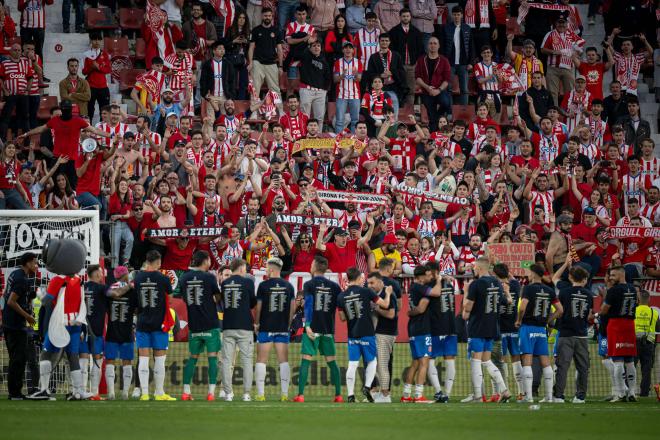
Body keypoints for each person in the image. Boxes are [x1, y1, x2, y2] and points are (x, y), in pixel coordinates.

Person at [28, 266, 90, 400]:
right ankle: (77, 391)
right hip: (75, 323)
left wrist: (39, 298)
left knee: (46, 352)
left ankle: (44, 389)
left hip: (59, 323)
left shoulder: (57, 280)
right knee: (73, 356)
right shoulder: (79, 279)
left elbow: (47, 300)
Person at [293, 256, 344, 403]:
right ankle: (339, 395)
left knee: (306, 360)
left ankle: (301, 395)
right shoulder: (335, 287)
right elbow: (339, 307)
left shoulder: (309, 284)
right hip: (328, 329)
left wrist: (307, 325)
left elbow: (308, 304)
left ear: (315, 267)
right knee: (332, 362)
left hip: (312, 328)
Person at [338, 268, 393, 403]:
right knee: (372, 361)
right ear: (359, 278)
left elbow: (342, 318)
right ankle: (367, 387)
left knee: (352, 364)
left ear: (347, 279)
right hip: (367, 332)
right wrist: (388, 293)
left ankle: (350, 395)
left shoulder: (341, 296)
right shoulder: (367, 291)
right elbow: (385, 305)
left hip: (352, 334)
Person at [462, 258, 512, 403]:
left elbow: (468, 307)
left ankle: (478, 396)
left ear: (479, 268)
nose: (474, 270)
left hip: (477, 326)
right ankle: (504, 390)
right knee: (487, 361)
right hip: (492, 327)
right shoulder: (496, 282)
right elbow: (505, 301)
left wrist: (465, 292)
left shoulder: (476, 284)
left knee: (476, 361)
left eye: (475, 268)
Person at [516, 263, 564, 403]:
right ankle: (549, 397)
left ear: (533, 274)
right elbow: (560, 310)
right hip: (541, 330)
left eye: (529, 272)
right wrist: (548, 320)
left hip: (528, 327)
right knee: (545, 362)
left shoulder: (528, 289)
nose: (528, 275)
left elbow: (522, 307)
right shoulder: (549, 290)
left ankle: (528, 397)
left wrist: (519, 320)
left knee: (527, 361)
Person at [134, 250, 176, 401]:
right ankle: (159, 393)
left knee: (143, 359)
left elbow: (135, 299)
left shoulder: (138, 278)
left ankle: (144, 393)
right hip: (159, 324)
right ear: (158, 261)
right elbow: (170, 300)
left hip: (142, 322)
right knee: (159, 360)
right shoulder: (163, 279)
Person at [180, 250, 222, 402]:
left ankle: (186, 392)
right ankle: (211, 393)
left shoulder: (184, 277)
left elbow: (185, 299)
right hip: (210, 323)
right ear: (205, 261)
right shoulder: (209, 277)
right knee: (212, 358)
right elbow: (218, 297)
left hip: (194, 324)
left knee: (192, 358)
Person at [254, 257, 296, 402]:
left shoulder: (263, 286)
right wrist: (288, 324)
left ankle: (260, 394)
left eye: (266, 267)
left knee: (261, 360)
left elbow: (258, 307)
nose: (265, 270)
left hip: (266, 326)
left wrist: (256, 323)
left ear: (271, 270)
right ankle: (284, 394)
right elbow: (292, 308)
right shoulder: (289, 286)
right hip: (282, 328)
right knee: (283, 361)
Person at [552, 260, 593, 403]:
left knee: (562, 366)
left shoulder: (564, 292)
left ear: (570, 278)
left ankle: (558, 396)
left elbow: (560, 311)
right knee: (583, 367)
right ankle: (580, 396)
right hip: (581, 335)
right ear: (585, 279)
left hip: (565, 334)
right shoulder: (589, 294)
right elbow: (589, 315)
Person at [2, 253, 38, 400]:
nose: (36, 266)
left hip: (8, 322)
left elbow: (6, 295)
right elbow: (11, 301)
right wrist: (27, 316)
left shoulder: (15, 274)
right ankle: (15, 393)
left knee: (15, 359)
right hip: (15, 325)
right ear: (28, 263)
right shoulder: (21, 279)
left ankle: (14, 392)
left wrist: (28, 299)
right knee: (19, 359)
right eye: (34, 263)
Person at [219, 258, 256, 402]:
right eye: (245, 268)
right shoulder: (248, 282)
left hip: (228, 326)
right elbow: (253, 302)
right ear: (241, 268)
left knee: (226, 361)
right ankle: (246, 394)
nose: (246, 270)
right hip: (245, 326)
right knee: (246, 361)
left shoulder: (225, 283)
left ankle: (228, 393)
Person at [600, 266, 638, 402]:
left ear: (622, 275)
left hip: (616, 325)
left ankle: (621, 393)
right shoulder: (633, 289)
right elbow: (637, 303)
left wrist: (603, 303)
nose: (611, 278)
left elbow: (604, 310)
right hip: (629, 325)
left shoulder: (613, 291)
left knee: (617, 360)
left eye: (613, 275)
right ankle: (632, 392)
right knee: (629, 360)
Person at [402, 265, 437, 403]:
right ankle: (418, 395)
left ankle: (406, 395)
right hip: (422, 329)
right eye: (427, 275)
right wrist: (439, 281)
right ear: (421, 276)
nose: (429, 277)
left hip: (413, 328)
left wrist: (411, 312)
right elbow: (434, 295)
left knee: (415, 363)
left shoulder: (412, 288)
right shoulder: (420, 288)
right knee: (424, 362)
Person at [105, 266, 137, 401]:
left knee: (110, 361)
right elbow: (136, 310)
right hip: (127, 330)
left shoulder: (109, 288)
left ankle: (111, 392)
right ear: (125, 275)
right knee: (127, 362)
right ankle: (125, 392)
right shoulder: (132, 288)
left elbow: (110, 298)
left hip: (112, 330)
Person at [366, 271, 398, 403]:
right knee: (379, 364)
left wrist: (376, 308)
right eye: (368, 283)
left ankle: (385, 395)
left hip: (385, 333)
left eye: (372, 283)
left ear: (380, 282)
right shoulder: (378, 295)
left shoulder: (388, 294)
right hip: (380, 333)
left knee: (382, 365)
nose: (370, 285)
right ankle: (382, 393)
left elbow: (391, 314)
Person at [540, 18, 585, 106]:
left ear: (567, 23)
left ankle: (570, 112)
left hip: (568, 67)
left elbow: (580, 47)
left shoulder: (572, 34)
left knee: (570, 92)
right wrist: (553, 52)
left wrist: (577, 52)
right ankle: (553, 113)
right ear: (555, 24)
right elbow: (542, 49)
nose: (561, 25)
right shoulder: (550, 34)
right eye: (559, 23)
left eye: (563, 23)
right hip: (553, 67)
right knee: (552, 93)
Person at [388, 8, 425, 106]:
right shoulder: (393, 31)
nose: (405, 18)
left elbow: (421, 49)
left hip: (412, 66)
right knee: (398, 88)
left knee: (411, 90)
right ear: (400, 17)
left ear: (410, 17)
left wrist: (417, 63)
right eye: (403, 16)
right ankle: (398, 111)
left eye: (407, 16)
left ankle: (409, 112)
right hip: (398, 67)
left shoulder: (416, 32)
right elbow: (391, 50)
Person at [415, 37, 451, 132]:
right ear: (427, 46)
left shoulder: (444, 60)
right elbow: (418, 78)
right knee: (431, 116)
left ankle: (438, 117)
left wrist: (438, 90)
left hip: (440, 90)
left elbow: (447, 80)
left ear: (438, 46)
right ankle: (433, 136)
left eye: (435, 43)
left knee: (446, 103)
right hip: (426, 91)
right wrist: (427, 88)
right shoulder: (421, 60)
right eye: (430, 43)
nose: (433, 45)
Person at [84, 264, 109, 400]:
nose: (102, 275)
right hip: (96, 331)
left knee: (82, 360)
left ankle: (80, 391)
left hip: (82, 330)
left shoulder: (82, 287)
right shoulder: (102, 288)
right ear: (97, 274)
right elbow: (114, 294)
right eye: (101, 273)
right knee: (97, 362)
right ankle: (94, 393)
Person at [440, 6, 473, 106]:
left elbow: (471, 46)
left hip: (463, 63)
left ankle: (464, 112)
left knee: (464, 89)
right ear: (452, 15)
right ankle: (449, 112)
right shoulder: (446, 28)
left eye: (458, 14)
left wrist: (471, 62)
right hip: (449, 63)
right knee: (447, 88)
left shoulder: (467, 28)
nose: (456, 17)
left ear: (462, 15)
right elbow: (442, 46)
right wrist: (443, 62)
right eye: (454, 14)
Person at [0, 42, 33, 140]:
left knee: (25, 118)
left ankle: (27, 143)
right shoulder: (4, 63)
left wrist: (28, 89)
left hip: (23, 95)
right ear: (10, 51)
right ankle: (2, 141)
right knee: (5, 118)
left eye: (19, 50)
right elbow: (0, 78)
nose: (17, 52)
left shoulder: (25, 63)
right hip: (10, 95)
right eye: (15, 50)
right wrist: (5, 90)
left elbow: (30, 77)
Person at [248, 8, 283, 98]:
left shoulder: (276, 30)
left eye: (269, 16)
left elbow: (279, 49)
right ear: (262, 16)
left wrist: (280, 66)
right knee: (255, 88)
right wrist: (251, 62)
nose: (267, 17)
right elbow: (251, 48)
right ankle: (254, 111)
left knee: (275, 89)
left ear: (272, 17)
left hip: (272, 63)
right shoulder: (256, 30)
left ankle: (280, 109)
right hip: (257, 62)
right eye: (265, 16)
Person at [200, 41, 237, 121]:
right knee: (210, 120)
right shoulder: (207, 64)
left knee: (225, 120)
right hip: (212, 97)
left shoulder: (228, 64)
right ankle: (209, 134)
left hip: (224, 96)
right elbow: (203, 81)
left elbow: (232, 81)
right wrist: (205, 94)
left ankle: (227, 134)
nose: (222, 50)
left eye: (223, 49)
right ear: (214, 51)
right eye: (220, 49)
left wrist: (231, 96)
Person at [334, 40, 363, 133]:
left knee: (355, 121)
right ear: (343, 50)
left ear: (353, 50)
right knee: (339, 121)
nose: (348, 50)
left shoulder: (358, 62)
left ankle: (355, 143)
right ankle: (338, 144)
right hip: (341, 96)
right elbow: (335, 79)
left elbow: (359, 79)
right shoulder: (338, 62)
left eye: (350, 48)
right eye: (346, 48)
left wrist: (355, 75)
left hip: (355, 96)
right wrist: (342, 75)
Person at [299, 40, 331, 124]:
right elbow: (298, 52)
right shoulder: (306, 56)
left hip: (320, 92)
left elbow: (328, 77)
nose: (316, 47)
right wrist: (307, 42)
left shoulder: (324, 62)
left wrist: (324, 90)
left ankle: (318, 136)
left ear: (321, 48)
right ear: (310, 48)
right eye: (314, 46)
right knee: (304, 116)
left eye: (318, 46)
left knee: (319, 118)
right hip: (306, 90)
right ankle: (304, 136)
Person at [82, 32, 111, 120]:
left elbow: (108, 70)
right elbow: (84, 72)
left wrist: (98, 67)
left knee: (105, 109)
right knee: (89, 109)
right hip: (91, 86)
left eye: (99, 40)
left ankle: (103, 128)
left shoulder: (105, 54)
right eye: (95, 40)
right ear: (91, 41)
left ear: (101, 41)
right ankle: (89, 128)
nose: (97, 42)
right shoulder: (85, 55)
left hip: (103, 86)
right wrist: (92, 67)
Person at [634, 290, 658, 397]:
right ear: (649, 299)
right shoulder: (655, 313)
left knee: (630, 367)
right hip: (649, 343)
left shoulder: (633, 310)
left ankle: (630, 391)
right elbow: (657, 330)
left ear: (638, 299)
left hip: (634, 343)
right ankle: (644, 393)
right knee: (647, 370)